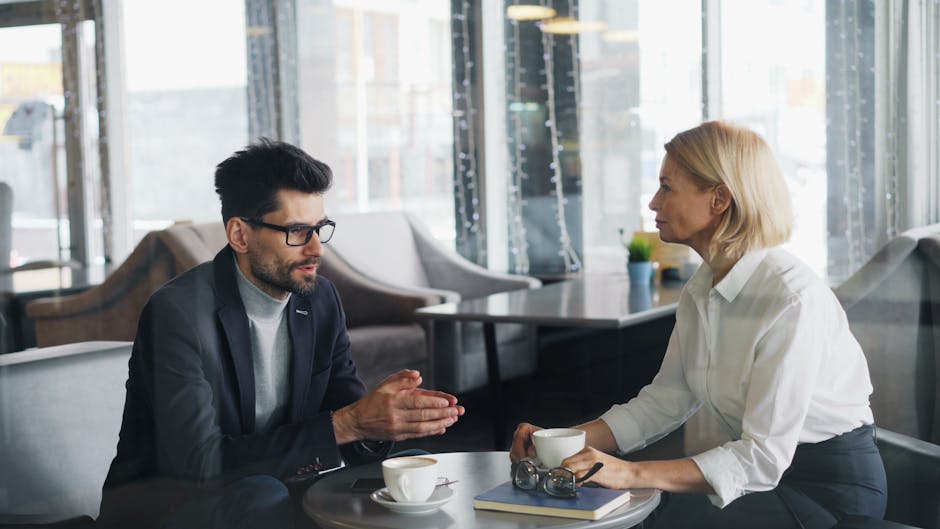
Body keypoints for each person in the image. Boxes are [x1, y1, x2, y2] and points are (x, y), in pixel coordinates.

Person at [510, 121, 886, 529]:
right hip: (761, 480)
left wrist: (631, 473)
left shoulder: (790, 298)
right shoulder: (701, 288)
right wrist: (561, 441)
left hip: (828, 493)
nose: (654, 203)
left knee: (650, 517)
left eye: (667, 187)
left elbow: (763, 458)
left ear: (719, 199)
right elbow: (667, 399)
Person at [97, 139, 465, 529]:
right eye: (296, 232)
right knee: (264, 496)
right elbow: (198, 464)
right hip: (173, 506)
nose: (316, 250)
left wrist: (379, 421)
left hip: (281, 480)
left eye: (320, 229)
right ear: (240, 235)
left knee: (410, 472)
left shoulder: (320, 299)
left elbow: (346, 412)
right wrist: (347, 424)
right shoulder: (178, 313)